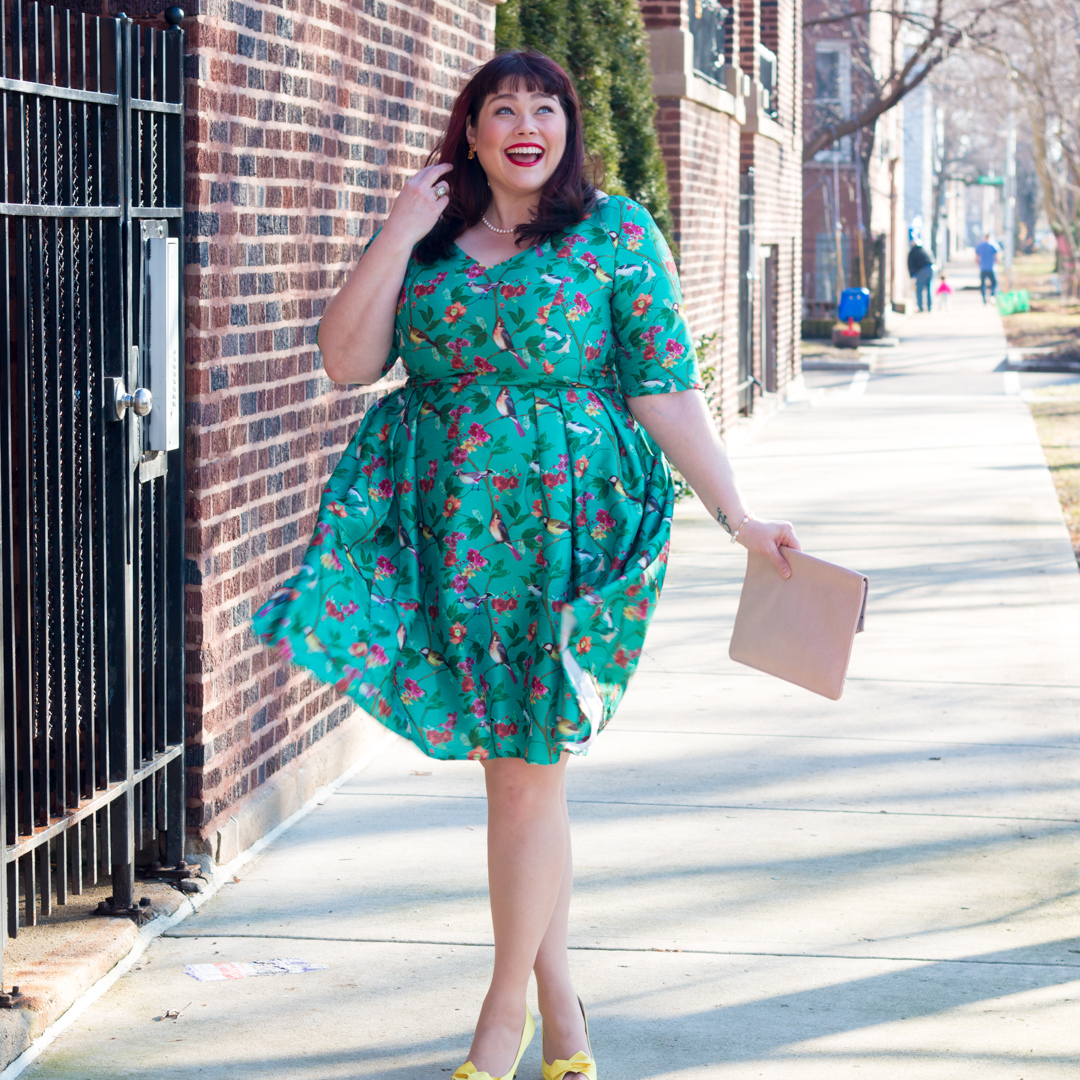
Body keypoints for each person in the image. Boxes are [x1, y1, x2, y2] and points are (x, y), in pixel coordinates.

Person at [253, 51, 799, 1080]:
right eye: (502, 106)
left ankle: (499, 1026)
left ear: (568, 127)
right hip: (449, 531)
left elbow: (665, 390)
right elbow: (346, 362)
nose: (525, 122)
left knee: (524, 770)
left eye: (545, 105)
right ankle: (566, 1015)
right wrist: (396, 233)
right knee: (520, 775)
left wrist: (739, 514)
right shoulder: (430, 237)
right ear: (471, 131)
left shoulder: (617, 234)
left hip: (568, 531)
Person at [907, 239, 935, 312]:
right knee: (929, 288)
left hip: (922, 270)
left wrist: (912, 275)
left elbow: (910, 264)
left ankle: (920, 307)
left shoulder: (913, 252)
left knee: (919, 289)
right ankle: (929, 307)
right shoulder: (924, 250)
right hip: (931, 269)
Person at [975, 234, 1001, 303]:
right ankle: (992, 294)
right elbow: (997, 256)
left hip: (983, 268)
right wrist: (997, 263)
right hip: (991, 268)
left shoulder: (980, 246)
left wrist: (978, 264)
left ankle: (984, 298)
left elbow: (976, 257)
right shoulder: (993, 245)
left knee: (983, 284)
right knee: (994, 282)